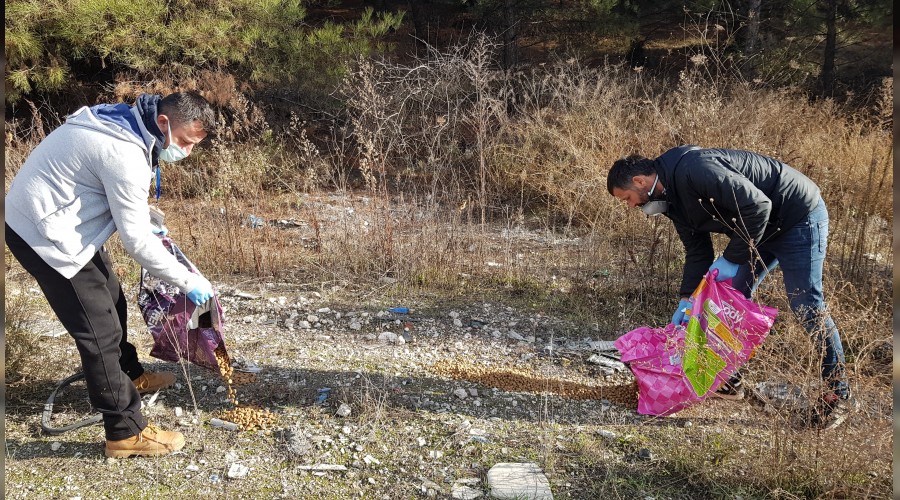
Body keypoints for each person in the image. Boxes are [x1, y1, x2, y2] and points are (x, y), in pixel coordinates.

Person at [5, 91, 217, 457]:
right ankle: (124, 432)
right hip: (44, 234)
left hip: (66, 222)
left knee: (111, 295)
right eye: (184, 142)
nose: (186, 151)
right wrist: (188, 281)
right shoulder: (124, 153)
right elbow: (135, 243)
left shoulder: (126, 121)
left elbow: (110, 194)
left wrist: (149, 221)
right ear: (164, 123)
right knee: (98, 331)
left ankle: (130, 374)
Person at [606, 145, 850, 429]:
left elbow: (758, 206)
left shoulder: (696, 169)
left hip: (797, 216)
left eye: (627, 199)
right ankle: (726, 382)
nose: (631, 206)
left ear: (639, 182)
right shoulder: (670, 200)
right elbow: (698, 252)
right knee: (722, 300)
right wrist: (688, 298)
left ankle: (838, 394)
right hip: (760, 228)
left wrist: (732, 260)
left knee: (806, 303)